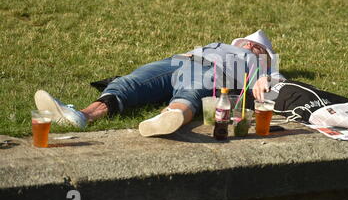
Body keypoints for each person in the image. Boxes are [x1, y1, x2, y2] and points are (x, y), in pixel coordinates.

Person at [34, 30, 285, 137]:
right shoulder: (219, 44)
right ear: (238, 40)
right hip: (175, 61)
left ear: (264, 55)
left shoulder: (259, 63)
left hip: (210, 71)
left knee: (191, 93)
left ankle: (167, 119)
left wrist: (266, 76)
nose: (252, 46)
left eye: (258, 47)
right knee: (129, 83)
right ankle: (82, 116)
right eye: (249, 42)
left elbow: (278, 80)